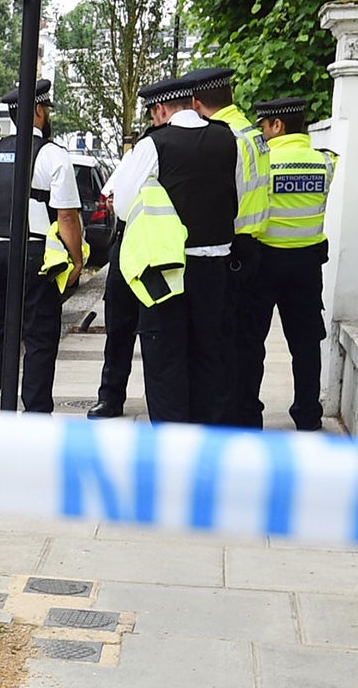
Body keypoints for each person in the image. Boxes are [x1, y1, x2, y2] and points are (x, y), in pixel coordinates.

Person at [110, 70, 244, 424]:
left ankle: (171, 448)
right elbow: (238, 198)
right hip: (215, 268)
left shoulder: (154, 145)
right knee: (208, 357)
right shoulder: (228, 138)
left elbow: (122, 207)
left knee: (165, 360)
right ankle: (205, 443)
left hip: (166, 269)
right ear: (193, 104)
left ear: (160, 111)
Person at [0, 82, 84, 412]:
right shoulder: (54, 155)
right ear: (40, 111)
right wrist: (76, 260)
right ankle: (36, 413)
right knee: (39, 337)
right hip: (38, 256)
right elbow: (67, 216)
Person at [238, 94, 336, 430]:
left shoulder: (264, 163)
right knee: (306, 344)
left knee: (252, 342)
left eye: (263, 126)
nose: (262, 133)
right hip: (307, 265)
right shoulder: (325, 162)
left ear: (277, 124)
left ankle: (249, 415)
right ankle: (308, 414)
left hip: (264, 261)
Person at [187, 69, 274, 424]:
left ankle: (224, 419)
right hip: (256, 246)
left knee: (221, 340)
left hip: (230, 248)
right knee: (250, 340)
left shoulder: (222, 138)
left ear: (196, 103)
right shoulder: (253, 132)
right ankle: (248, 412)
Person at [88, 123, 151, 419]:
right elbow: (111, 196)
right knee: (118, 329)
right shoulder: (133, 159)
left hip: (157, 247)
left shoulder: (171, 156)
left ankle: (160, 401)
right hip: (127, 245)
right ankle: (110, 397)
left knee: (156, 332)